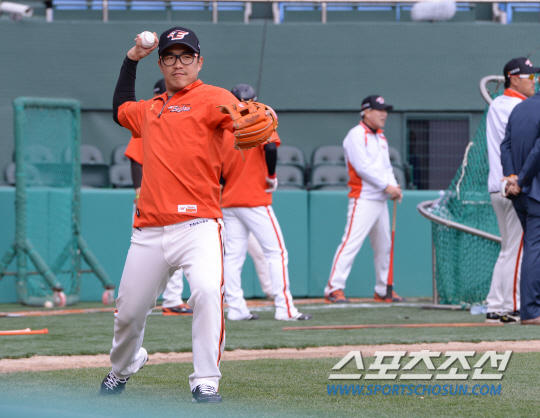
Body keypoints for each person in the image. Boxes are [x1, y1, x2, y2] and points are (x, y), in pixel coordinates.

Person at [99, 26, 273, 403]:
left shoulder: (214, 98)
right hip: (149, 229)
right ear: (160, 63)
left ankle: (205, 379)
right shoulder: (150, 108)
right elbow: (119, 110)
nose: (178, 63)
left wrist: (252, 120)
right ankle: (123, 368)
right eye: (170, 56)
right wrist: (131, 60)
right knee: (128, 313)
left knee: (208, 292)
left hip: (198, 225)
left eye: (186, 56)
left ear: (199, 61)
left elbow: (242, 121)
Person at [220, 84, 312, 321]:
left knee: (233, 257)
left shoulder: (223, 126)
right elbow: (270, 147)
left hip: (229, 199)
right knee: (276, 253)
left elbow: (217, 169)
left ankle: (236, 309)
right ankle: (285, 309)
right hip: (254, 199)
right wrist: (271, 176)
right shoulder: (260, 116)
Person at [324, 95, 404, 304]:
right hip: (363, 198)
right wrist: (386, 186)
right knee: (351, 243)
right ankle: (333, 288)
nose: (384, 114)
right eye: (380, 110)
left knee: (384, 246)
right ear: (366, 112)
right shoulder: (356, 134)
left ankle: (383, 289)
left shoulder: (381, 137)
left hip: (380, 199)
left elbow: (387, 168)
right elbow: (362, 167)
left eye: (385, 110)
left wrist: (394, 186)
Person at [124, 78, 193, 316]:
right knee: (153, 254)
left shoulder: (177, 122)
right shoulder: (149, 118)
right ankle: (150, 302)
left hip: (172, 197)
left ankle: (171, 300)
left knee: (175, 250)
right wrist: (138, 192)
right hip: (150, 200)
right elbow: (135, 159)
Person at [485, 57, 539, 324]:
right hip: (515, 186)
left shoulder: (501, 103)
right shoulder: (515, 105)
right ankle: (514, 306)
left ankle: (495, 305)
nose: (534, 81)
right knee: (520, 249)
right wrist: (517, 179)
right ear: (514, 79)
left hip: (503, 184)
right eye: (530, 77)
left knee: (509, 248)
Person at [501, 66, 540, 325]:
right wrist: (522, 178)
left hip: (520, 192)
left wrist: (512, 178)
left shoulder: (520, 108)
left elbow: (505, 145)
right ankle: (532, 311)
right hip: (534, 191)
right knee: (535, 249)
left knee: (532, 248)